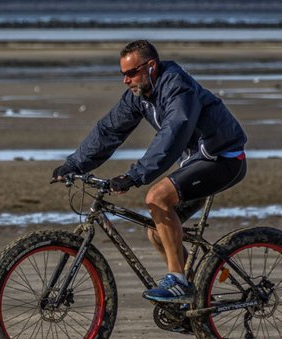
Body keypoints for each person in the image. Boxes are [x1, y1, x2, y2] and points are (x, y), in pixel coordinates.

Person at [52, 40, 247, 303]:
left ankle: (177, 281)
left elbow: (174, 131)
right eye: (123, 75)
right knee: (157, 233)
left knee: (157, 198)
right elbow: (109, 131)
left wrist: (135, 175)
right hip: (195, 162)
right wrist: (74, 164)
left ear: (151, 67)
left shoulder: (178, 87)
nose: (126, 81)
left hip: (222, 157)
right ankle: (196, 292)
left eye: (131, 73)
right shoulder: (140, 97)